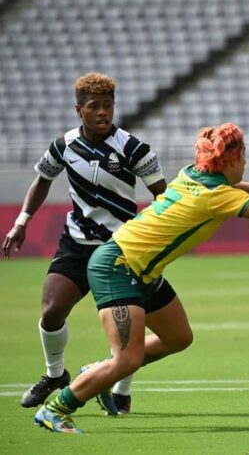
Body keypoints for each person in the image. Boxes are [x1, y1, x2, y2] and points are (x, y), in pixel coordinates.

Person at [33, 122, 249, 434]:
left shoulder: (192, 174)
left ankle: (98, 376)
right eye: (243, 156)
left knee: (178, 337)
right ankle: (56, 409)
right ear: (230, 159)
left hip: (142, 269)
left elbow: (232, 188)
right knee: (128, 359)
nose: (245, 162)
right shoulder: (218, 197)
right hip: (117, 266)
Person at [3, 73, 168, 415]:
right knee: (51, 311)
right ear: (79, 110)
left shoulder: (134, 149)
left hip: (122, 249)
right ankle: (55, 375)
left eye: (108, 105)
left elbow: (163, 196)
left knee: (130, 329)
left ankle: (120, 390)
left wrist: (150, 234)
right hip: (76, 244)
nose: (103, 112)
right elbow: (42, 180)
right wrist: (21, 221)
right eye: (95, 106)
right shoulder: (63, 145)